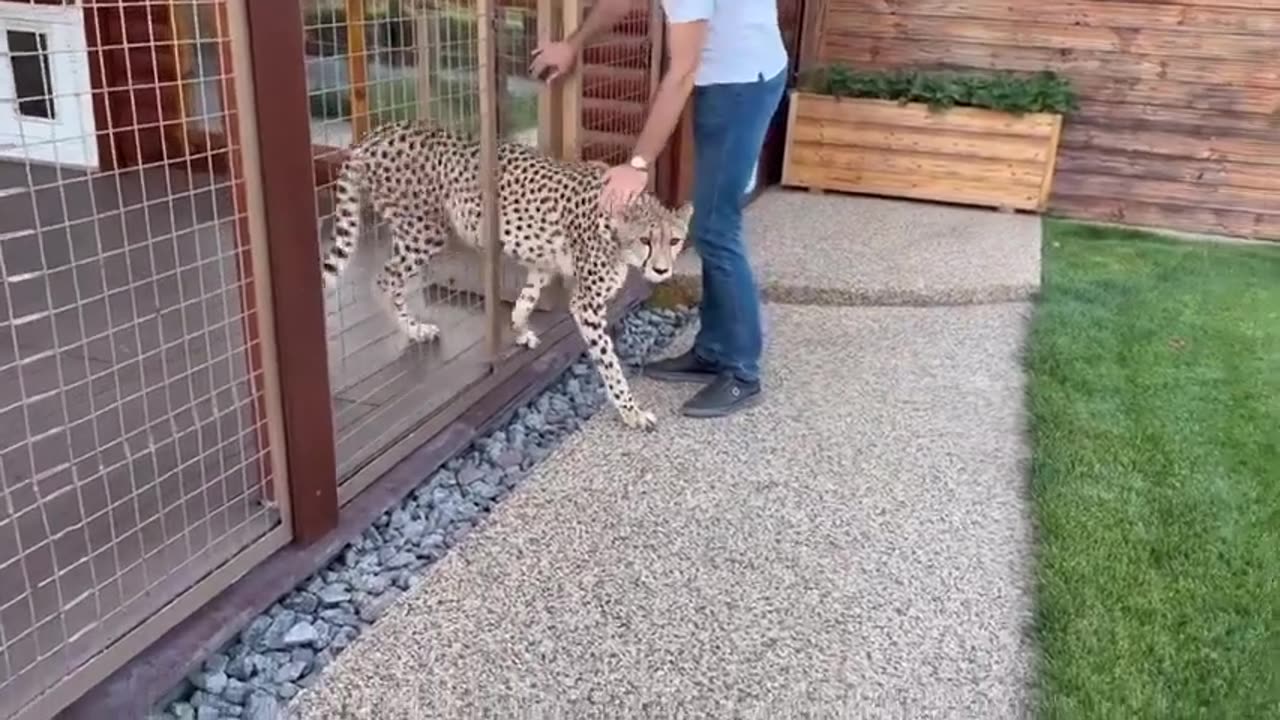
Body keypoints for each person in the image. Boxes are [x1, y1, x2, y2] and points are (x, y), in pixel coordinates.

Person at [531, 0, 787, 419]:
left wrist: (638, 165)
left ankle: (742, 372)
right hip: (724, 75)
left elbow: (682, 70)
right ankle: (713, 352)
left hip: (742, 85)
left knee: (716, 228)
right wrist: (574, 44)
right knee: (710, 225)